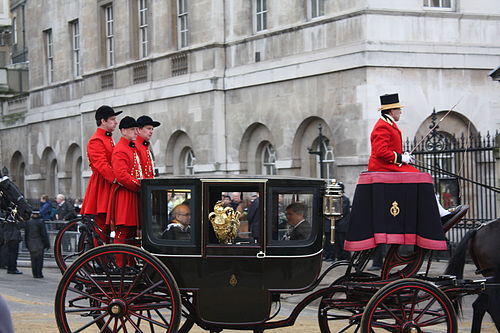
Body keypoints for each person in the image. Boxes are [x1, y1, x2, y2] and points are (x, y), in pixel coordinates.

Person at [368, 93, 461, 223]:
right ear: (391, 110)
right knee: (423, 178)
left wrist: (404, 155)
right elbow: (380, 152)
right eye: (398, 109)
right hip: (383, 167)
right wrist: (401, 158)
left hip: (391, 164)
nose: (400, 112)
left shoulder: (388, 124)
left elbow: (390, 148)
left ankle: (438, 211)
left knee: (423, 176)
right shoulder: (382, 126)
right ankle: (439, 213)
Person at [80, 105, 122, 245]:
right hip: (102, 186)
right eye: (112, 119)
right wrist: (117, 179)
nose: (115, 122)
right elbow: (101, 165)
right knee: (101, 227)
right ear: (103, 121)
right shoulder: (96, 140)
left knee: (109, 225)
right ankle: (101, 260)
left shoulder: (108, 138)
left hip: (109, 184)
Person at [107, 116, 142, 268]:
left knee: (132, 234)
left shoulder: (130, 147)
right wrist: (139, 186)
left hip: (131, 195)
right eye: (132, 130)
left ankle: (130, 263)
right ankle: (120, 266)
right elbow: (121, 176)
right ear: (123, 131)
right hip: (124, 196)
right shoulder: (121, 149)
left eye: (136, 129)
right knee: (122, 232)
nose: (135, 132)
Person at [22, 210, 50, 278]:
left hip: (31, 243)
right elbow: (44, 234)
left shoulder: (28, 222)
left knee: (33, 259)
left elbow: (26, 234)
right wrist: (47, 244)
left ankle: (34, 273)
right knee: (39, 260)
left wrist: (26, 244)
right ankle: (39, 273)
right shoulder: (41, 222)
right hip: (39, 243)